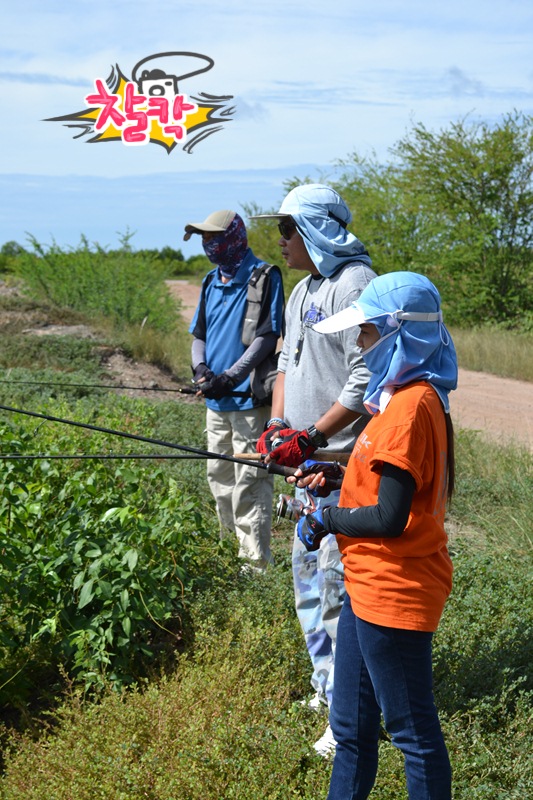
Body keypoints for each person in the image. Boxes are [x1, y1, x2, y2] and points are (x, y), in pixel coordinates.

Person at [294, 271, 458, 799]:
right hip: (367, 587)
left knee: (412, 736)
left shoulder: (411, 408)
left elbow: (389, 519)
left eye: (366, 333)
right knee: (351, 729)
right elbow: (388, 485)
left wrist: (325, 519)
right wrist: (340, 477)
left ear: (397, 333)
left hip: (395, 591)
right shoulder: (400, 399)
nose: (359, 346)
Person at [252, 183, 376, 755]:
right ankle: (325, 684)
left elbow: (364, 378)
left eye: (287, 229)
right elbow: (285, 364)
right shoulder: (302, 290)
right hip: (301, 464)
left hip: (339, 465)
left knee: (335, 587)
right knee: (306, 581)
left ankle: (347, 715)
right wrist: (280, 427)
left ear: (317, 229)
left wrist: (314, 436)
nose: (279, 241)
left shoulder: (355, 284)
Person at [185, 209, 284, 571]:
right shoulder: (211, 280)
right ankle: (229, 556)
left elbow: (268, 337)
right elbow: (200, 335)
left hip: (247, 401)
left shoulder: (265, 276)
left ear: (235, 236)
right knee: (219, 476)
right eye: (204, 239)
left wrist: (230, 375)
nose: (208, 245)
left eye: (214, 237)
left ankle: (255, 565)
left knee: (250, 481)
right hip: (216, 401)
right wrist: (202, 370)